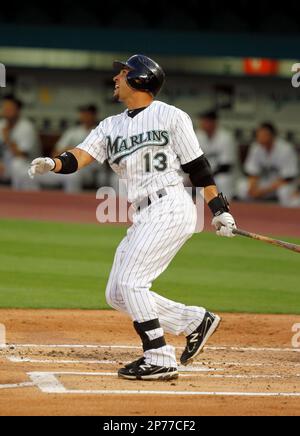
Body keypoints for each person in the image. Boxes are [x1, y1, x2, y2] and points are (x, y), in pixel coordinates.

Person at [28, 54, 237, 381]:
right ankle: (194, 321)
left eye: (122, 73)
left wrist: (219, 210)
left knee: (131, 283)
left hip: (170, 205)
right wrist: (54, 164)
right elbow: (81, 156)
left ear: (140, 78)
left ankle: (159, 356)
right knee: (117, 293)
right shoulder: (110, 125)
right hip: (144, 213)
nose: (116, 78)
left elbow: (198, 168)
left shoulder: (171, 116)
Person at [36, 105, 107, 193]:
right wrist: (70, 150)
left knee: (74, 175)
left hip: (91, 170)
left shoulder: (101, 131)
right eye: (83, 113)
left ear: (94, 115)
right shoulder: (72, 131)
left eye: (88, 114)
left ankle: (74, 204)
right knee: (36, 171)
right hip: (69, 165)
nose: (85, 116)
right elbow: (55, 153)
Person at [238, 122, 300, 207]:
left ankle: (284, 217)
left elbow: (287, 179)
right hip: (264, 182)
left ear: (271, 135)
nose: (259, 137)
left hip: (281, 184)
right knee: (242, 187)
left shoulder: (286, 149)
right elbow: (252, 172)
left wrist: (262, 191)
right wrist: (252, 188)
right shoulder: (256, 147)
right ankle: (254, 213)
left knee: (284, 191)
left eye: (263, 135)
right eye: (258, 135)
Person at [0, 95, 40, 190]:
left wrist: (8, 138)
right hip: (5, 166)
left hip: (28, 166)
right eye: (4, 107)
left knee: (17, 164)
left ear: (18, 111)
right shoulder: (1, 124)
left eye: (9, 108)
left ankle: (17, 197)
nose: (6, 110)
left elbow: (21, 155)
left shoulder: (27, 127)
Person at [196, 110, 236, 200]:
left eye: (206, 121)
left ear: (214, 122)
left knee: (222, 180)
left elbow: (226, 166)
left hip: (220, 174)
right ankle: (197, 210)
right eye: (202, 120)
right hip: (203, 173)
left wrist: (207, 176)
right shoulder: (197, 136)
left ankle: (227, 208)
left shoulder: (226, 137)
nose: (203, 123)